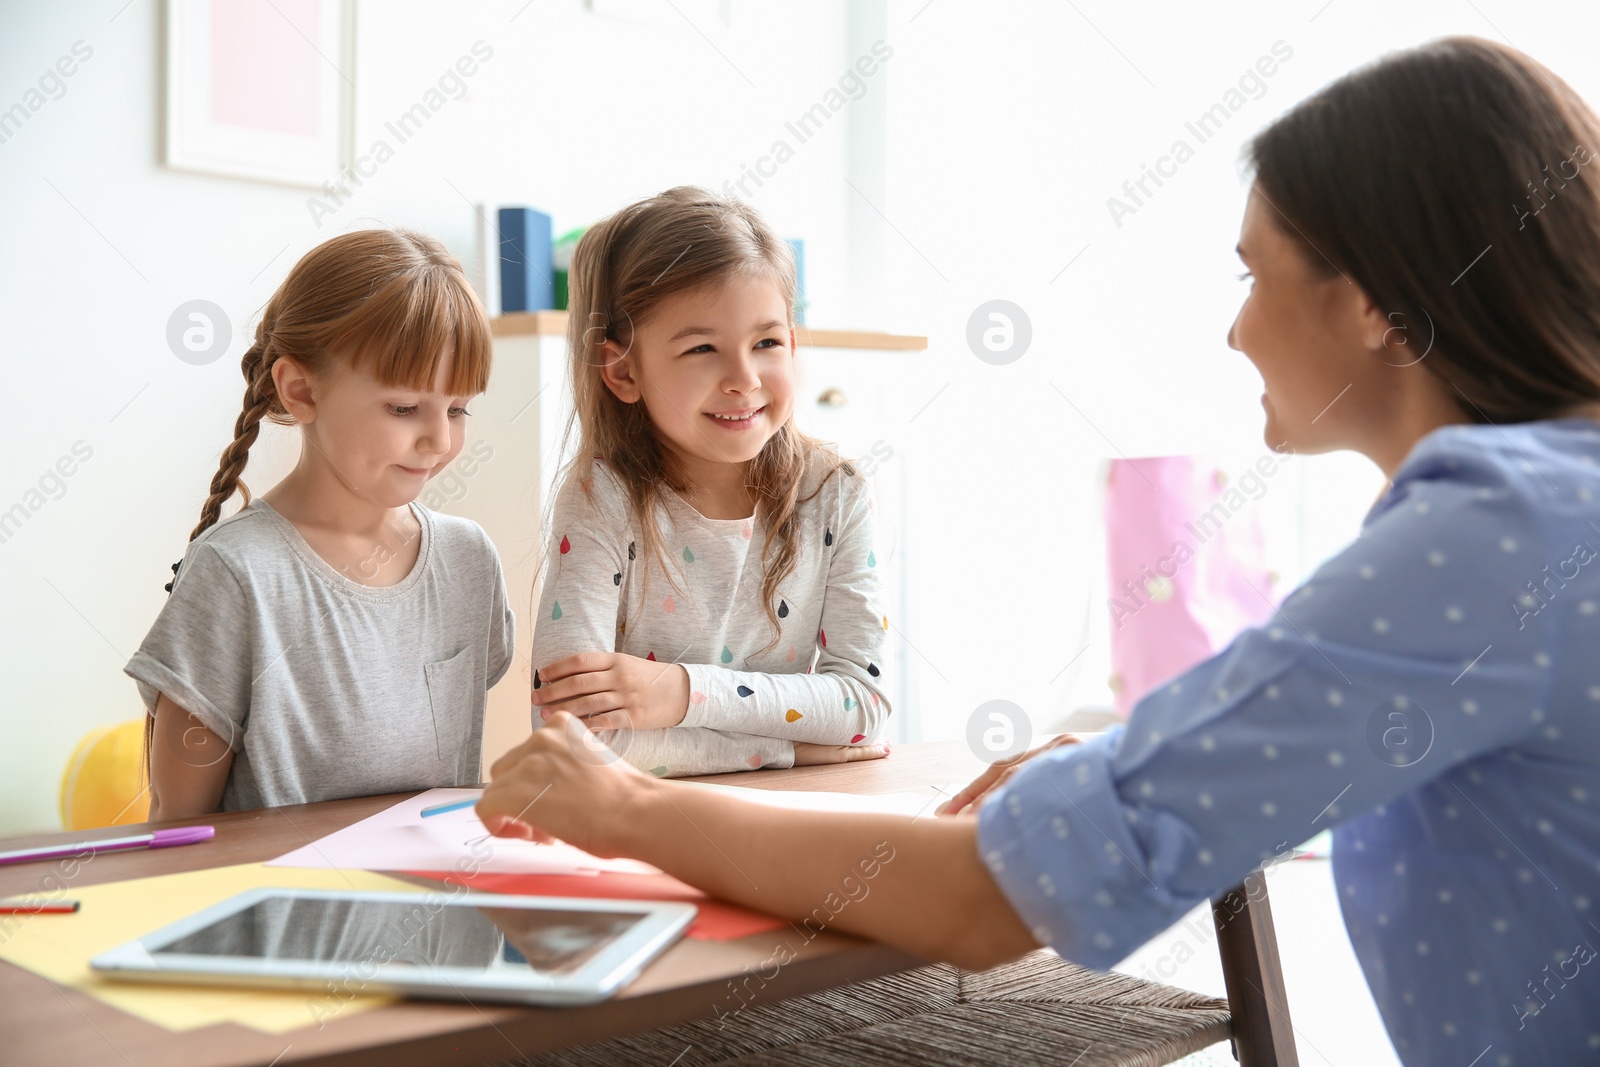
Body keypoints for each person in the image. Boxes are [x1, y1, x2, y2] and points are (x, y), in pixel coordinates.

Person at [478, 37, 1600, 1065]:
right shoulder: (1549, 505)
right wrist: (1129, 755)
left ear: (1368, 306)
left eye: (1250, 275)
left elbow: (983, 902)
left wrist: (623, 809)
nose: (1235, 328)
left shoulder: (1489, 531)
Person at [127, 230, 515, 819]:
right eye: (404, 408)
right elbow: (179, 835)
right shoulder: (237, 574)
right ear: (301, 390)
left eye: (457, 408)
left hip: (437, 908)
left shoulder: (468, 560)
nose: (440, 440)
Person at [527, 186, 893, 776]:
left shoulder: (835, 492)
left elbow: (864, 705)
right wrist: (789, 749)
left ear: (793, 343)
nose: (744, 379)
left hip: (793, 816)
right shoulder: (603, 498)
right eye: (702, 348)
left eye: (767, 343)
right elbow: (570, 738)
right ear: (623, 371)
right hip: (645, 826)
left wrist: (678, 694)